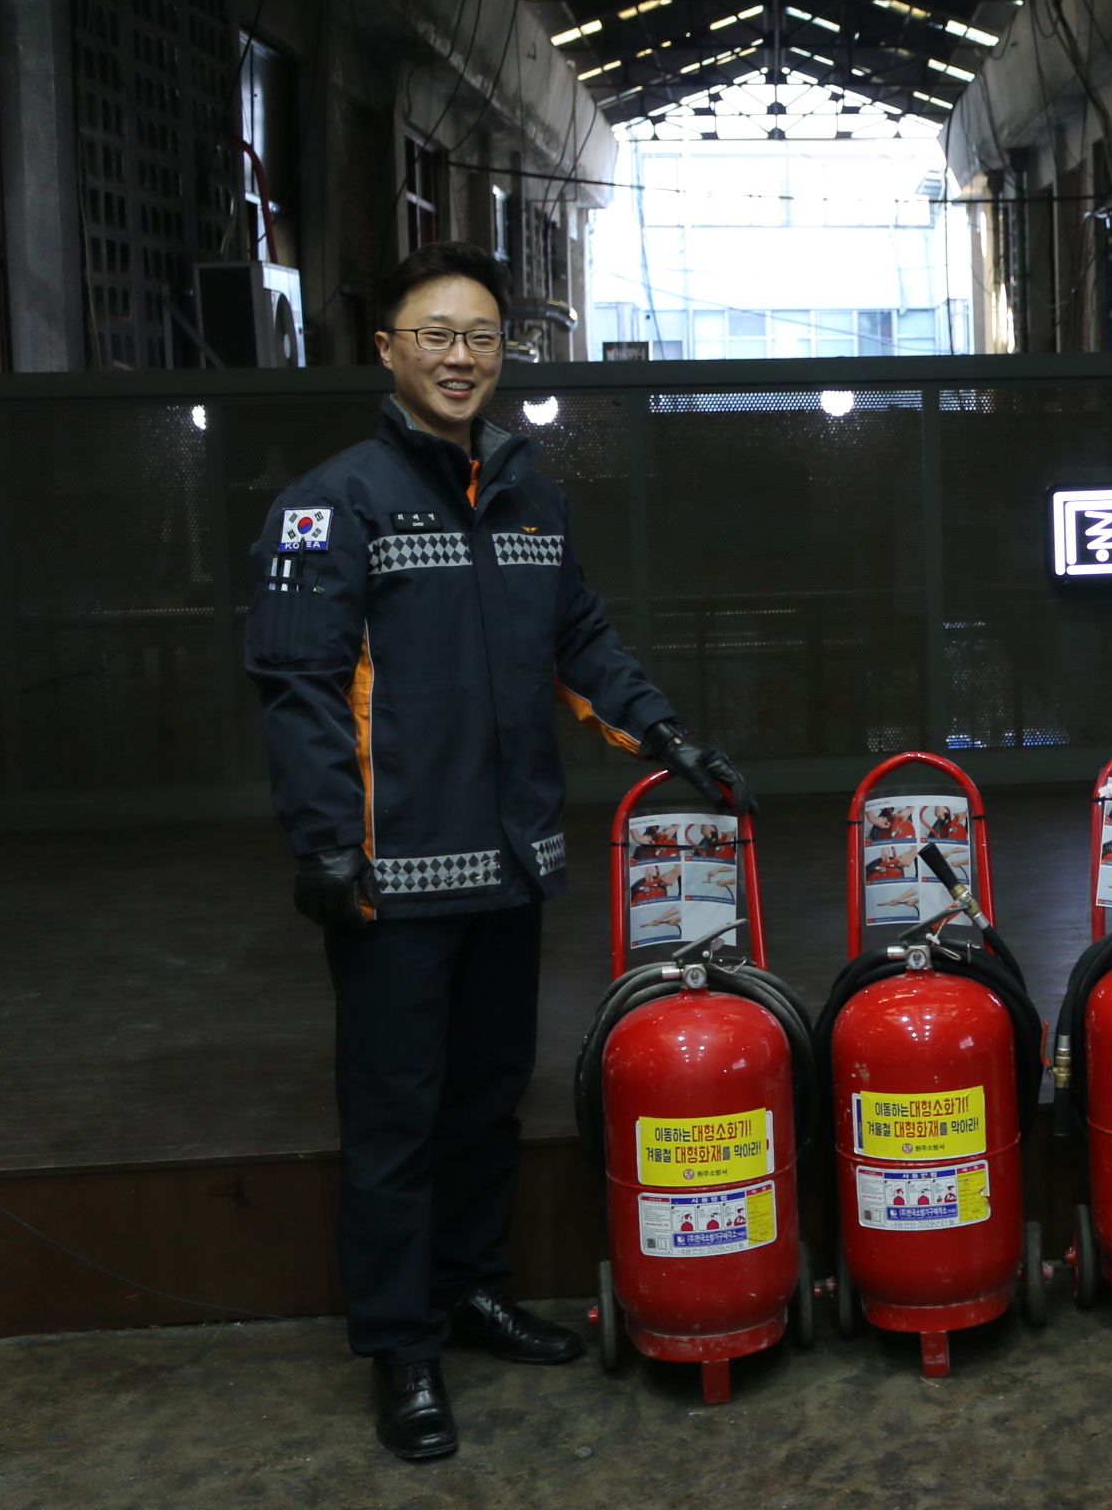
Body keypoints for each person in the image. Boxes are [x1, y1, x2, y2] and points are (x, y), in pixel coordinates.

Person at [245, 241, 752, 1462]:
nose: (462, 356)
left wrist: (664, 733)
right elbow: (298, 686)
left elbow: (580, 641)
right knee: (395, 1116)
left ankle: (470, 1289)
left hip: (510, 860)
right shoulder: (335, 503)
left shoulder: (532, 497)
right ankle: (400, 1346)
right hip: (393, 874)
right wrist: (326, 843)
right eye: (436, 334)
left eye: (481, 335)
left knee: (484, 1096)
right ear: (388, 349)